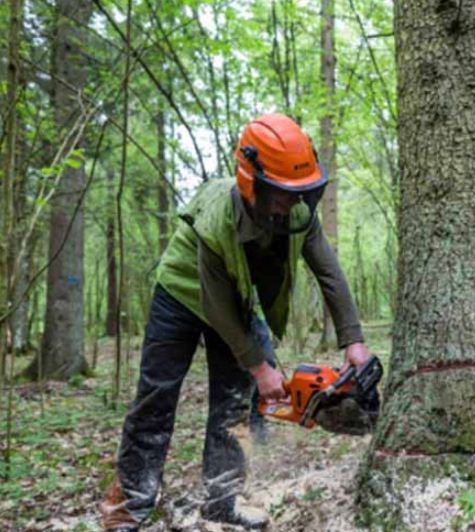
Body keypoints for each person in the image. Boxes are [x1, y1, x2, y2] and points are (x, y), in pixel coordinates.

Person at [100, 113, 371, 530]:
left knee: (233, 402)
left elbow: (329, 272)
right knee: (157, 395)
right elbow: (217, 304)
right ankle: (128, 507)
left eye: (299, 192)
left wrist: (353, 341)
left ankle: (221, 499)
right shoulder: (216, 219)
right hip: (182, 294)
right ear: (253, 184)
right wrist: (260, 366)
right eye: (281, 193)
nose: (291, 202)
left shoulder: (298, 215)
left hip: (235, 299)